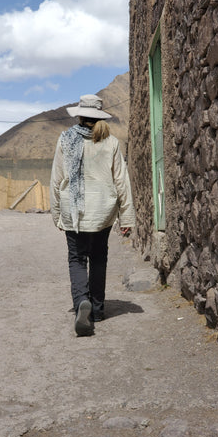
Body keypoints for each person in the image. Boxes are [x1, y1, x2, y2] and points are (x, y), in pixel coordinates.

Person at [50, 94, 135, 336]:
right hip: (103, 212)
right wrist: (127, 217)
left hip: (73, 211)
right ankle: (97, 310)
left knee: (77, 259)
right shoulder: (111, 142)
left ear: (79, 114)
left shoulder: (65, 139)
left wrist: (56, 214)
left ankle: (81, 304)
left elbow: (56, 180)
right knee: (98, 258)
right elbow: (122, 181)